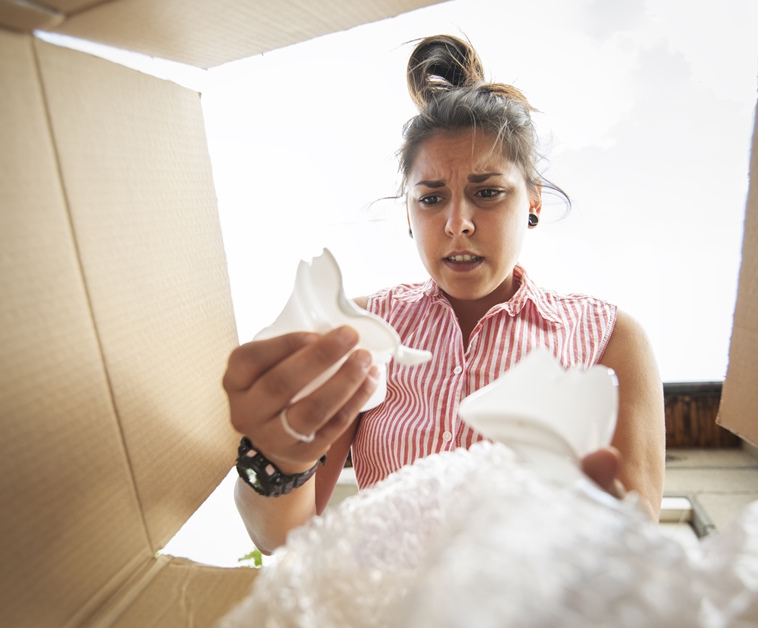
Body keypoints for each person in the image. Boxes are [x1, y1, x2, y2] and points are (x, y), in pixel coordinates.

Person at [225, 35, 666, 554]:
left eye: (487, 192)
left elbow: (638, 537)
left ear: (534, 200)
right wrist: (278, 462)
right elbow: (284, 540)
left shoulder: (611, 337)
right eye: (431, 198)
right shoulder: (364, 330)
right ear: (408, 213)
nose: (458, 224)